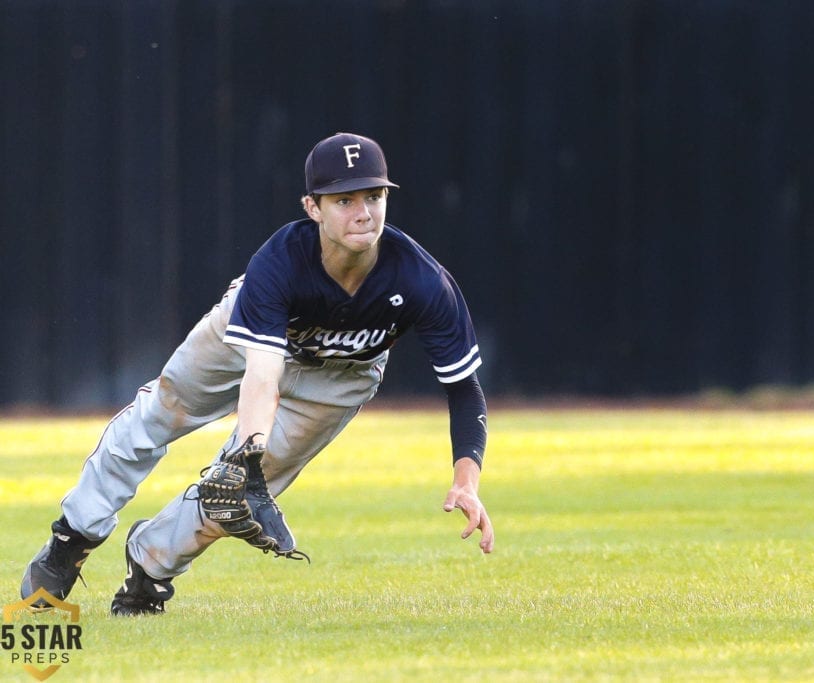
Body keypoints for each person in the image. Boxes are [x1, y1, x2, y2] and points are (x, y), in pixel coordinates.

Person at [21, 132, 494, 615]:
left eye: (374, 196)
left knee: (237, 496)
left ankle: (150, 568)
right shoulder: (281, 262)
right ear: (313, 208)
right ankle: (72, 538)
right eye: (344, 200)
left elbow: (464, 388)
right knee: (159, 416)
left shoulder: (422, 281)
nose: (363, 212)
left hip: (341, 377)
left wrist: (466, 479)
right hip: (246, 336)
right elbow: (263, 374)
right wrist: (247, 447)